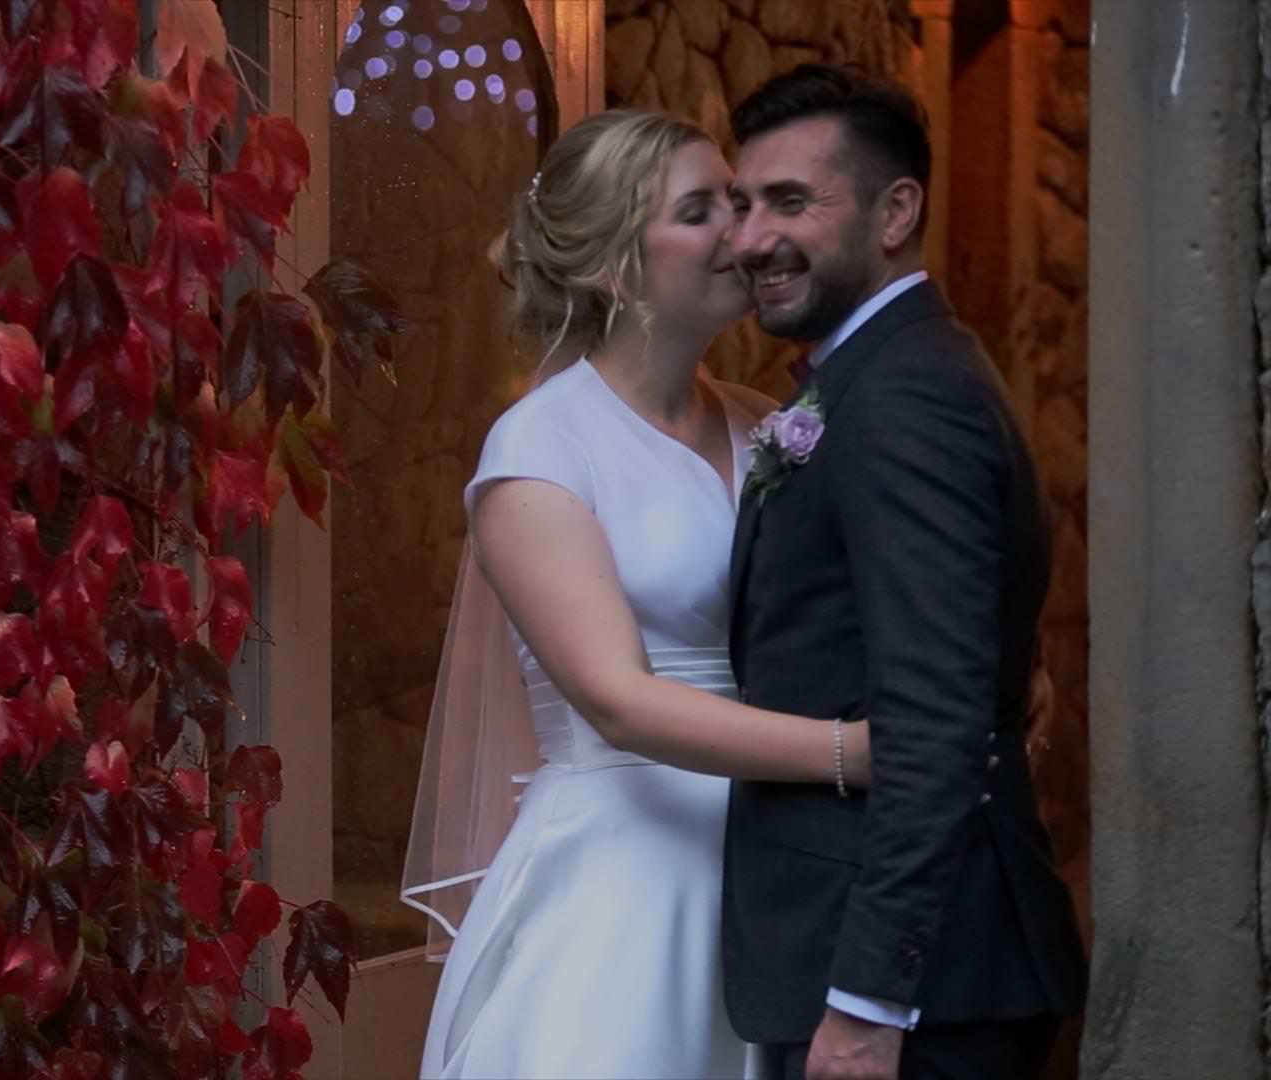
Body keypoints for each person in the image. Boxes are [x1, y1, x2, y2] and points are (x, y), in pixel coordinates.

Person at [403, 108, 873, 1080]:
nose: (743, 235)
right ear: (619, 265)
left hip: (769, 871)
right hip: (624, 880)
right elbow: (617, 701)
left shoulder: (772, 425)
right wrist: (854, 754)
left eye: (737, 204)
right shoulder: (540, 447)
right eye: (702, 211)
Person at [719, 65, 1088, 1080]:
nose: (752, 239)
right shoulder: (882, 373)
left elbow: (931, 718)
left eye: (792, 202)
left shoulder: (906, 398)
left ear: (896, 212)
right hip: (890, 971)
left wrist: (870, 1001)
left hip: (921, 997)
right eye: (745, 206)